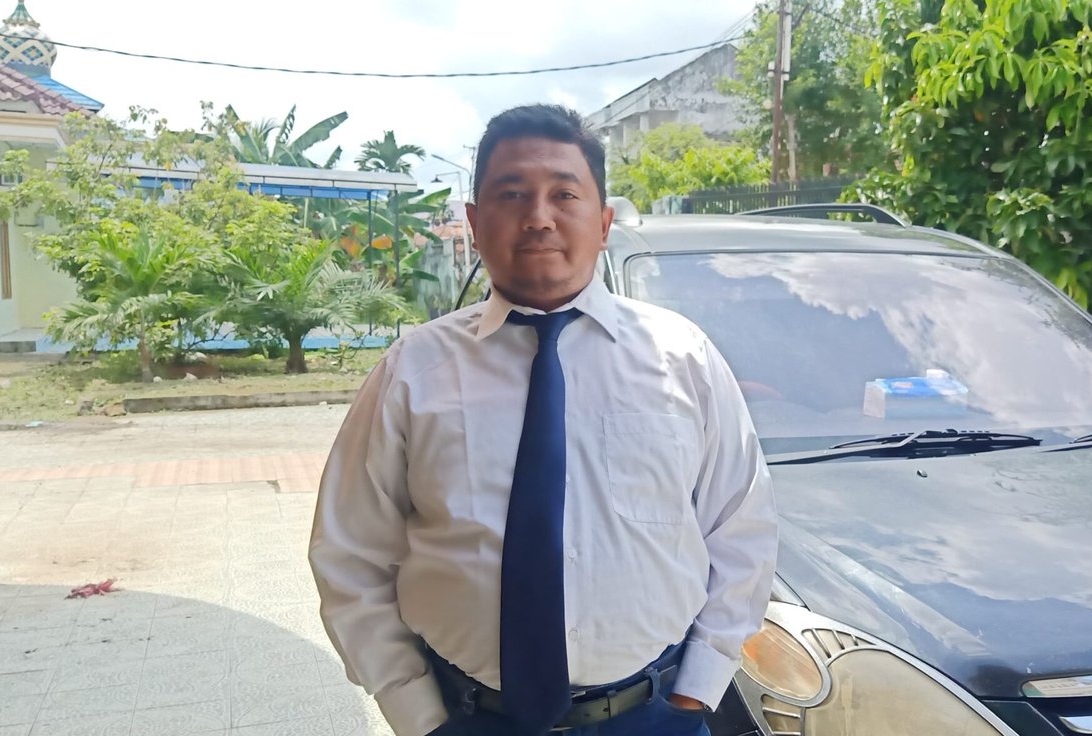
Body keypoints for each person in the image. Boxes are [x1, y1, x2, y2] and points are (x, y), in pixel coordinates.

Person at [309, 104, 778, 736]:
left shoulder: (682, 358)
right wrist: (416, 712)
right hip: (468, 718)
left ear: (603, 222)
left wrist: (698, 690)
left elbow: (741, 528)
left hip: (653, 715)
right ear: (474, 223)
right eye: (512, 194)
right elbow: (349, 551)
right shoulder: (413, 370)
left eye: (564, 193)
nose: (538, 217)